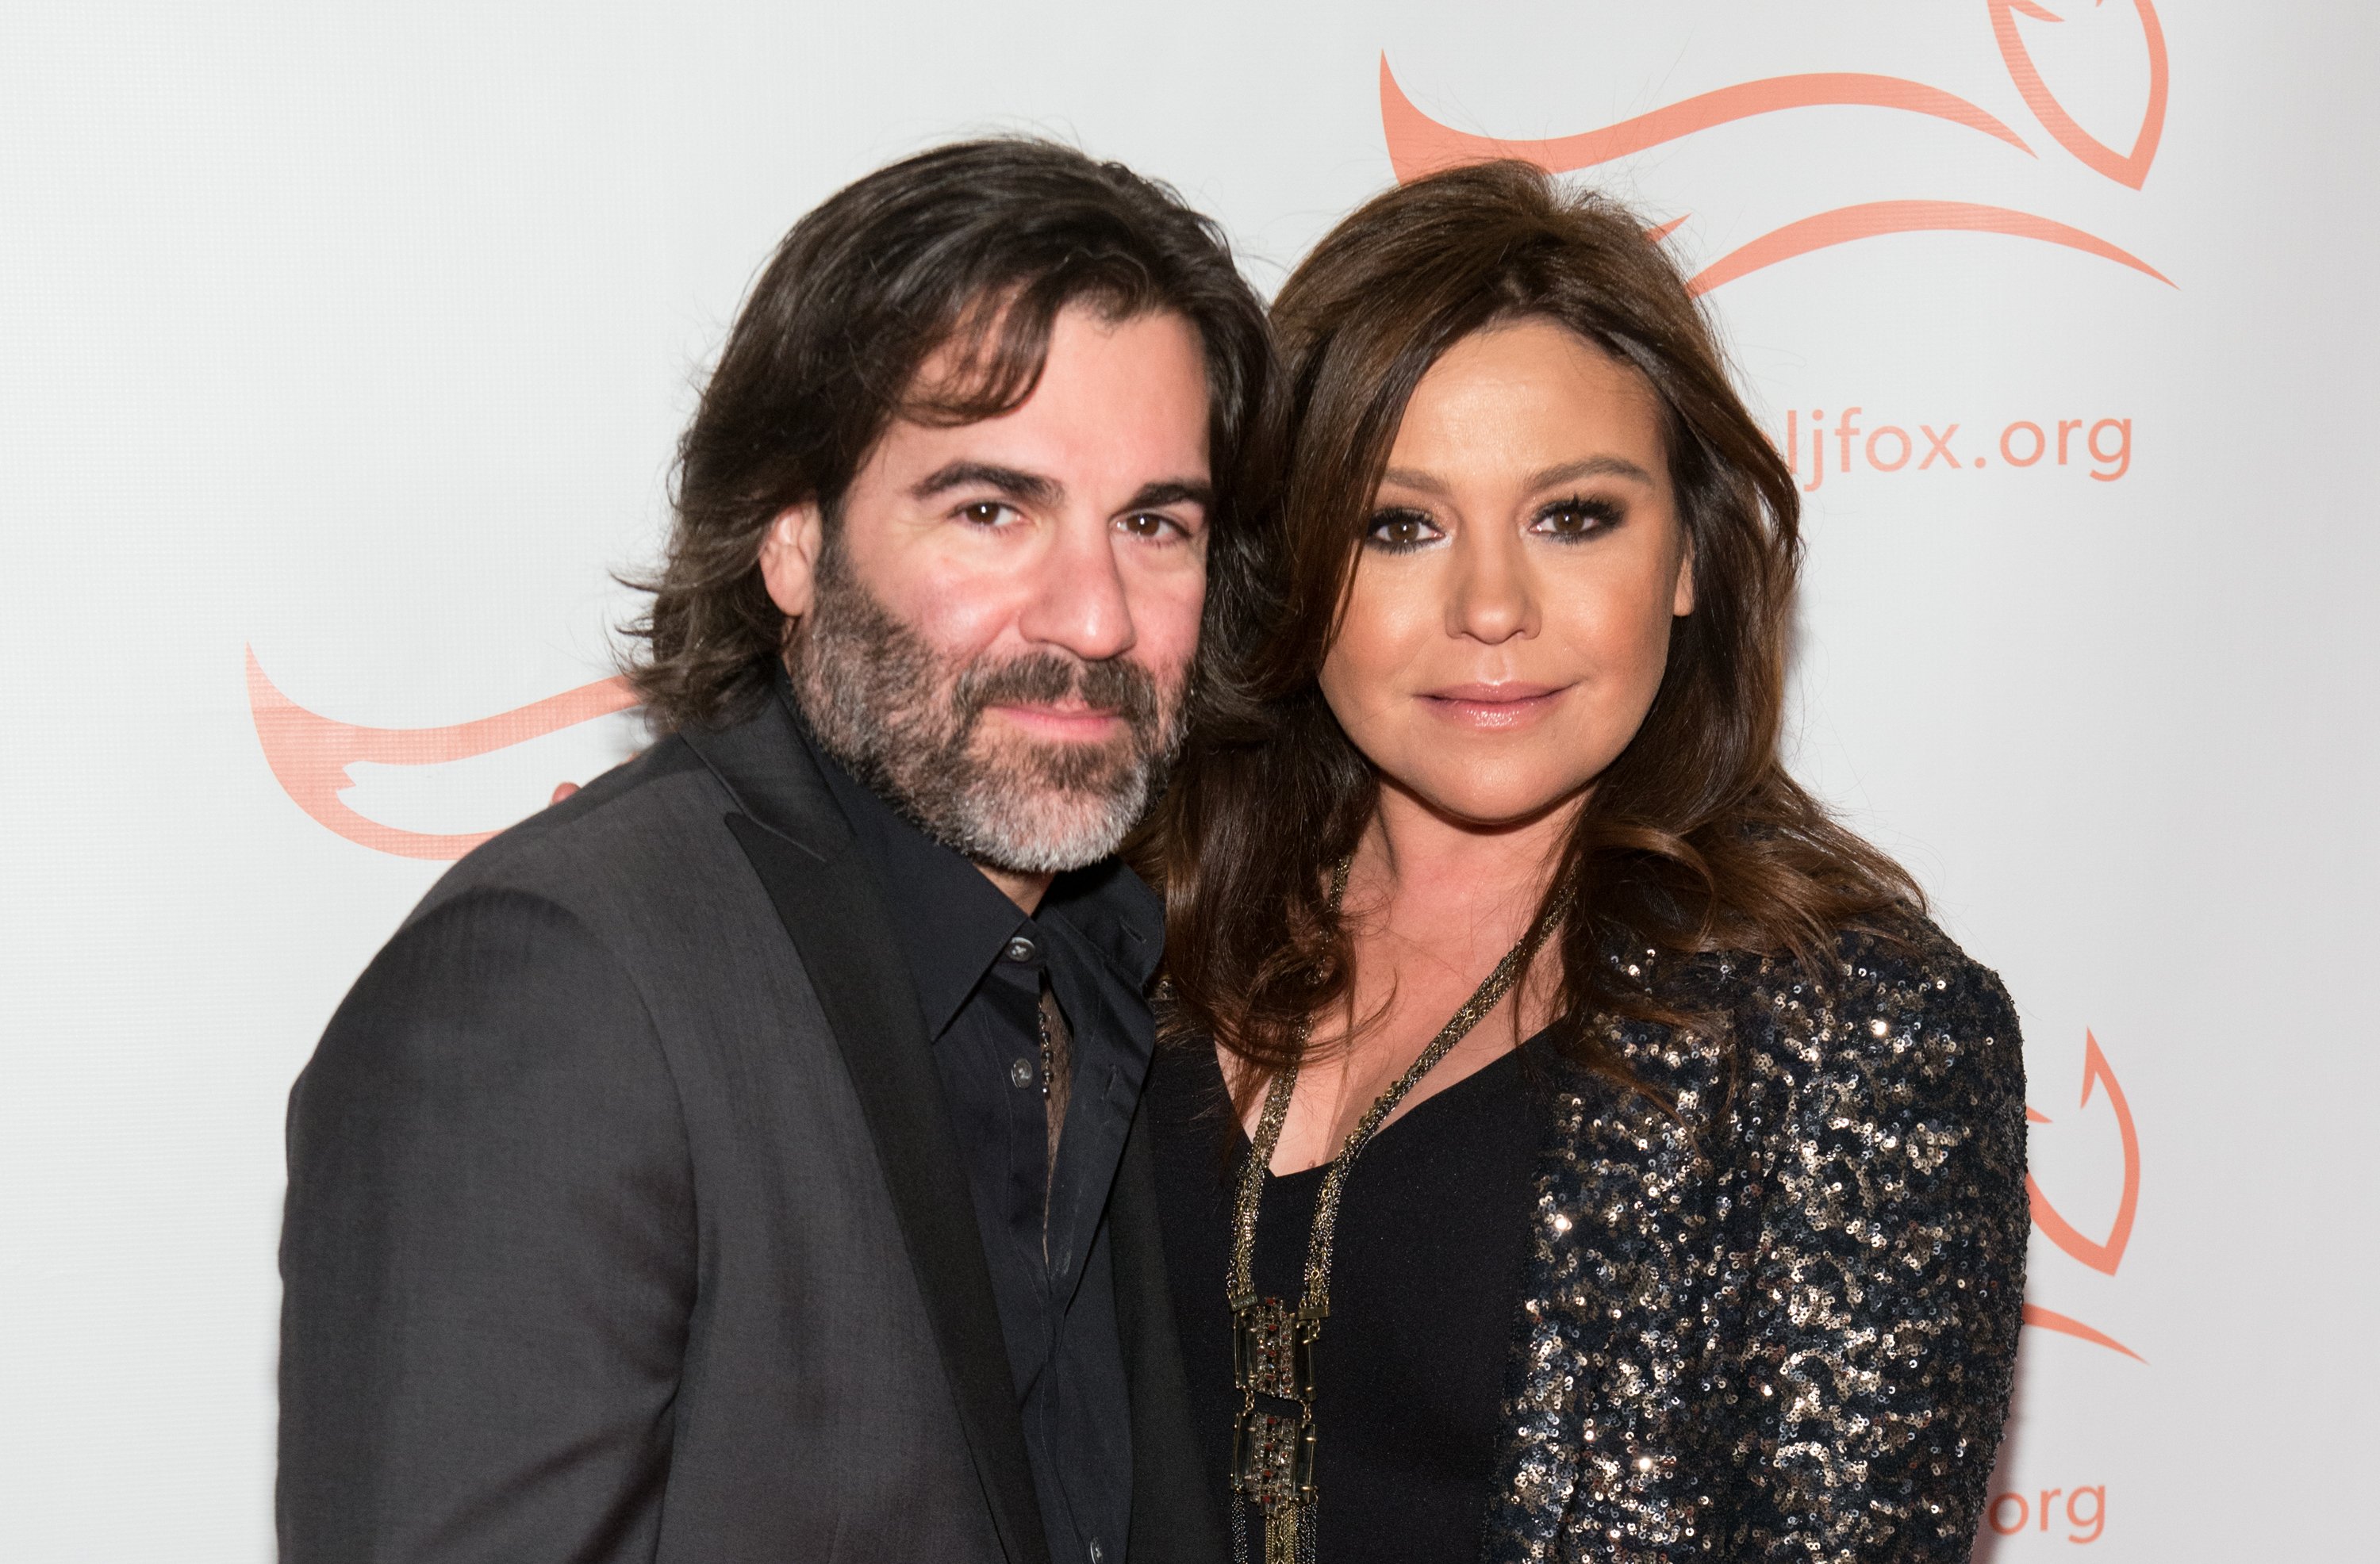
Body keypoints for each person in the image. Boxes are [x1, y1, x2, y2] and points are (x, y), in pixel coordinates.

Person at [278, 137, 1275, 1564]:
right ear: (794, 541)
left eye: (1154, 525)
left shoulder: (1121, 968)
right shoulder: (560, 982)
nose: (1096, 616)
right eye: (992, 509)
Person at [1142, 162, 2027, 1564]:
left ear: (1688, 554)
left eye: (1575, 517)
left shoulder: (1849, 1034)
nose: (1492, 606)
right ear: (1295, 570)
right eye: (1399, 525)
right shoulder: (1130, 950)